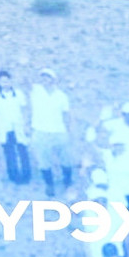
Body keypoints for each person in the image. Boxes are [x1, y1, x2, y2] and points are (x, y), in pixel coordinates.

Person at [30, 68, 73, 197]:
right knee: (43, 160)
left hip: (58, 131)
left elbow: (66, 114)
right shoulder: (36, 91)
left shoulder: (61, 96)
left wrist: (68, 130)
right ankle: (49, 184)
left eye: (47, 77)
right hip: (40, 131)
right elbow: (24, 82)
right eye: (42, 77)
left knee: (65, 158)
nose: (44, 80)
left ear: (53, 80)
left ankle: (67, 181)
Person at [0, 70, 31, 183]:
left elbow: (24, 109)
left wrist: (26, 124)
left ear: (11, 81)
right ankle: (13, 175)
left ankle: (26, 175)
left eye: (7, 81)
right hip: (4, 127)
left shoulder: (18, 93)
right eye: (2, 82)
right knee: (9, 152)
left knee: (22, 151)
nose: (5, 84)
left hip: (18, 126)